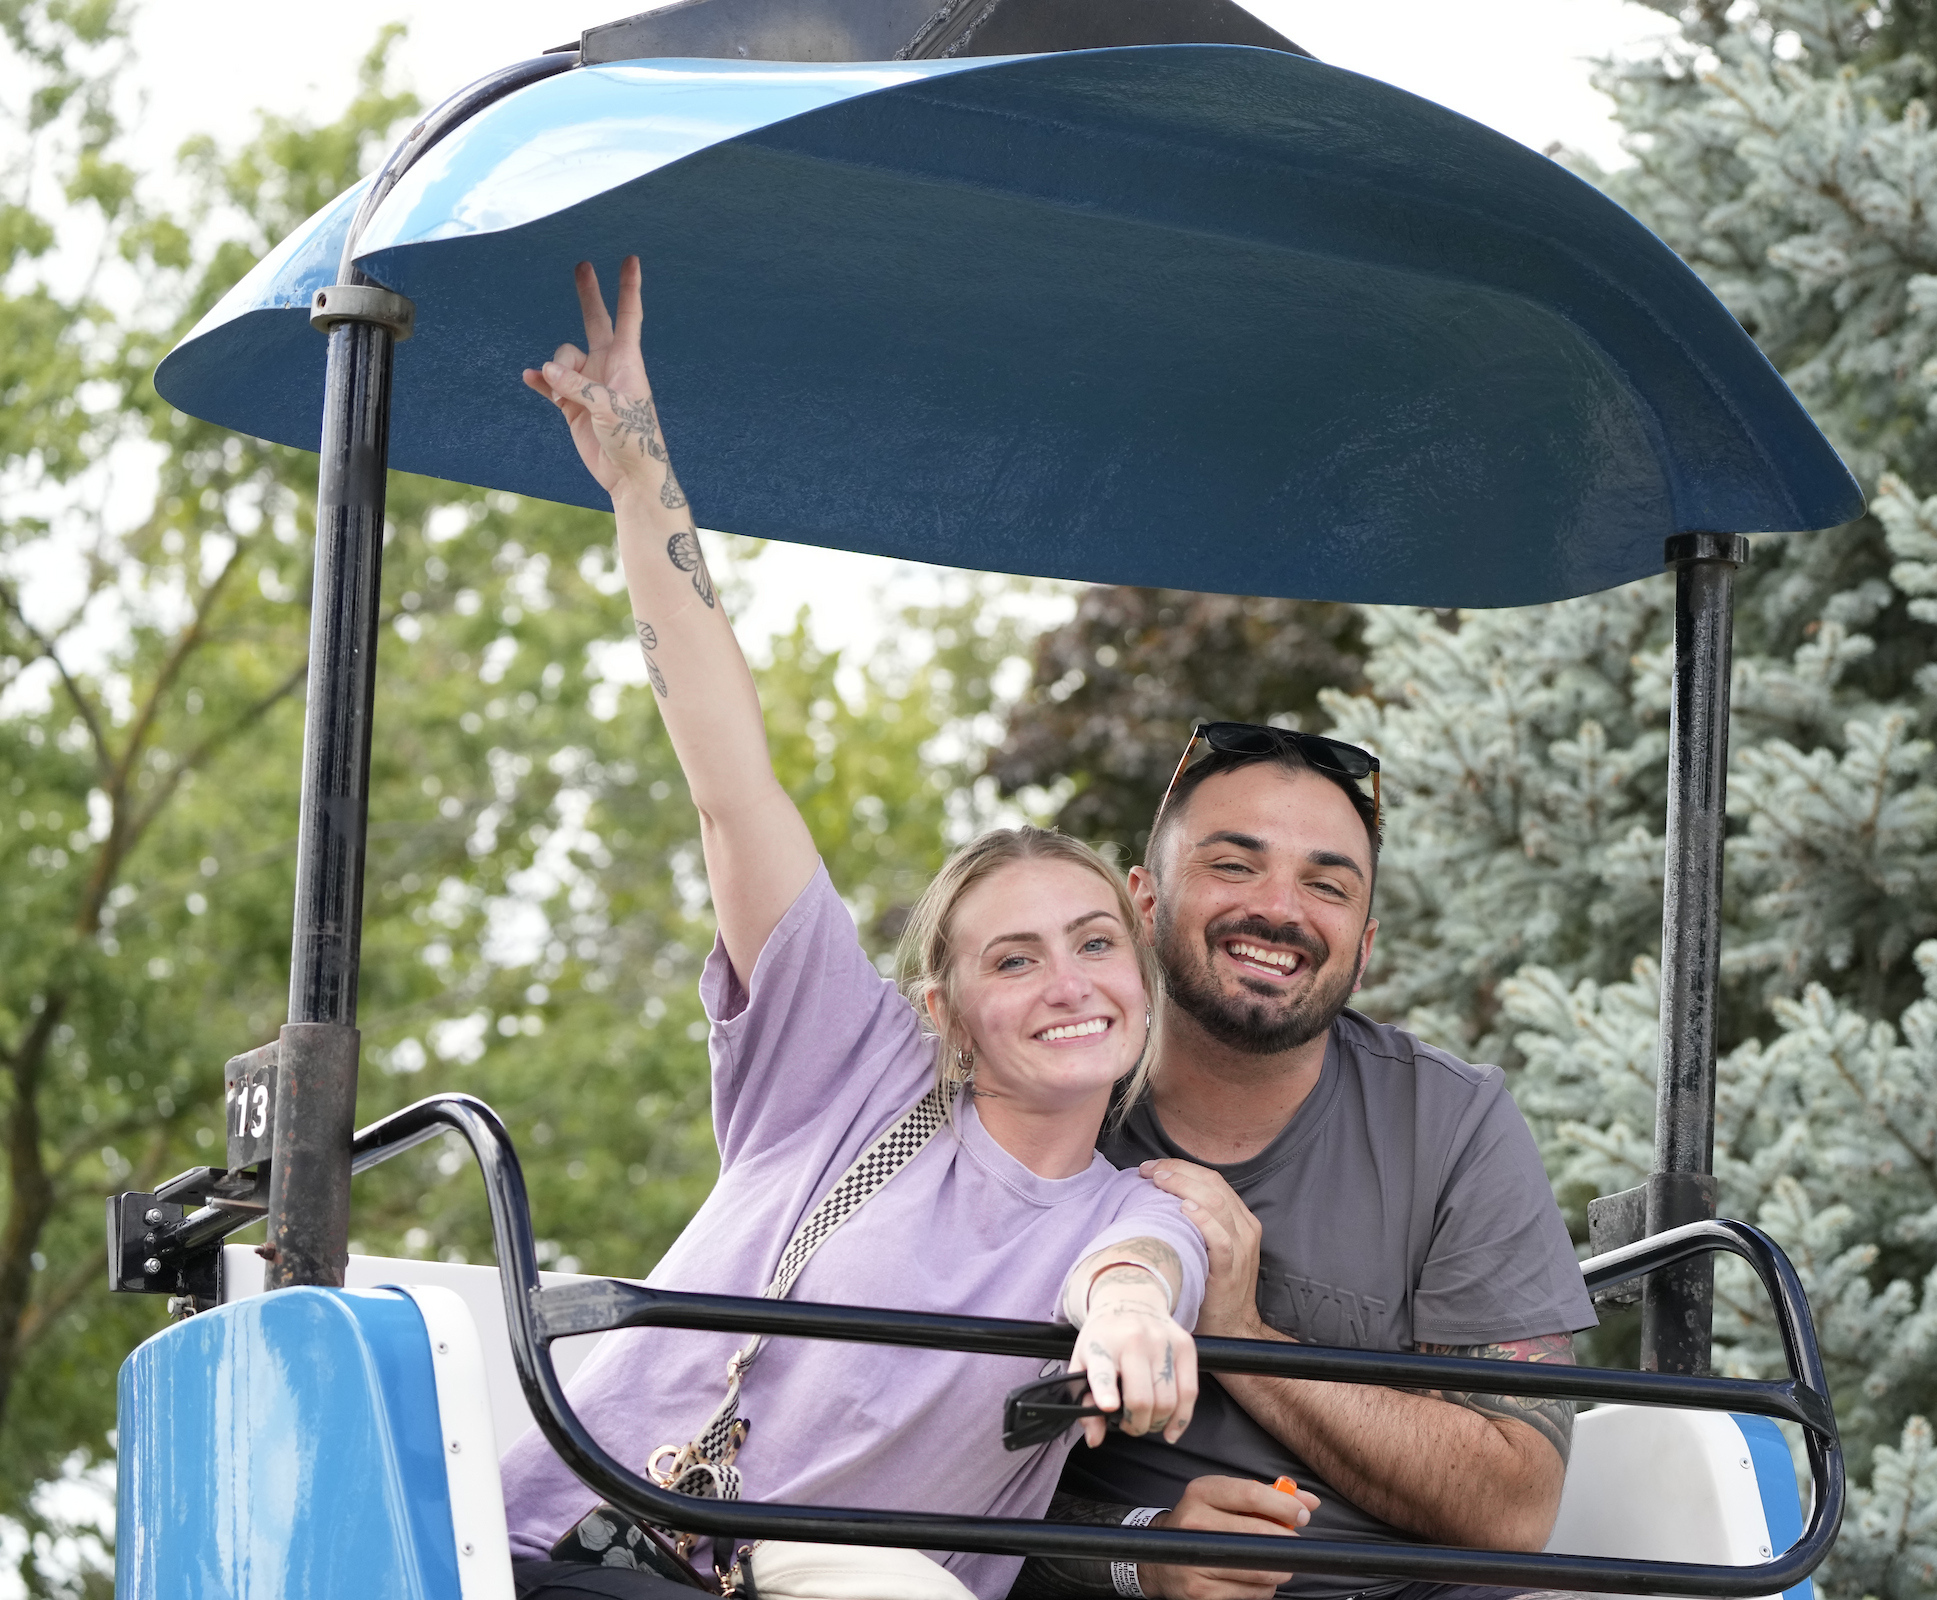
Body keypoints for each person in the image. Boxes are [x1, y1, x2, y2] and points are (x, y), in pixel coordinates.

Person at [499, 257, 1207, 1600]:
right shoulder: (847, 1062)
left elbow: (1139, 1270)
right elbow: (728, 780)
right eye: (1014, 956)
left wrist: (1124, 1313)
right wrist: (643, 478)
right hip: (594, 1555)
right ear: (939, 1008)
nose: (1070, 981)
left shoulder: (1129, 1213)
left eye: (1095, 940)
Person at [1012, 724, 1599, 1600]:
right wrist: (1142, 1552)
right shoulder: (1035, 1102)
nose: (1281, 910)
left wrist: (1242, 1337)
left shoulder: (1451, 1122)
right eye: (1234, 865)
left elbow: (1513, 1506)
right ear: (1142, 901)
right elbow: (912, 1457)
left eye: (1326, 885)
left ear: (1362, 946)